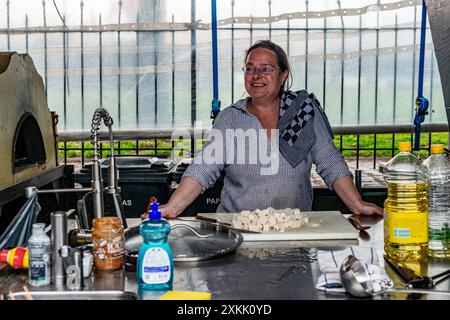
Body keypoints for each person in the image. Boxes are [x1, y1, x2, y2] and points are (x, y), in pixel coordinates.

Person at [144, 40, 383, 219]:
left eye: (266, 69)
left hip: (292, 228)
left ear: (283, 75)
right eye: (250, 68)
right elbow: (204, 168)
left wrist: (357, 205)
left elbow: (330, 163)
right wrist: (172, 208)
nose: (256, 75)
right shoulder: (230, 118)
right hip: (237, 228)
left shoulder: (302, 113)